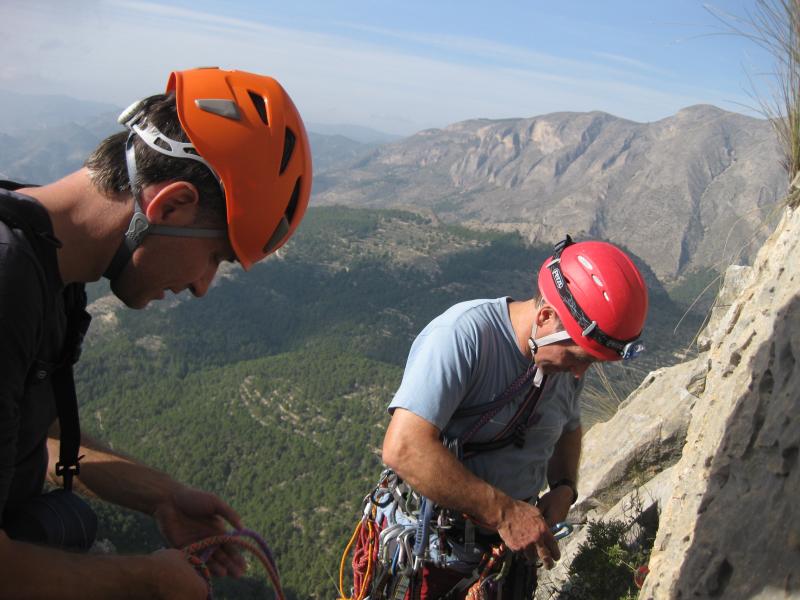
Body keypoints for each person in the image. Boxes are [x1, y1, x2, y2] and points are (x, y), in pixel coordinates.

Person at [0, 67, 312, 599]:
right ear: (169, 204)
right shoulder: (7, 280)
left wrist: (163, 497)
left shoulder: (48, 268)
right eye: (216, 256)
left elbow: (35, 433)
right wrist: (144, 579)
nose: (202, 286)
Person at [375, 236, 648, 599]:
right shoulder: (462, 337)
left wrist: (564, 486)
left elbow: (568, 426)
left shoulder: (563, 366)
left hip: (508, 554)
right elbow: (403, 448)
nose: (581, 373)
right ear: (546, 316)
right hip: (439, 551)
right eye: (580, 357)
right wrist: (504, 513)